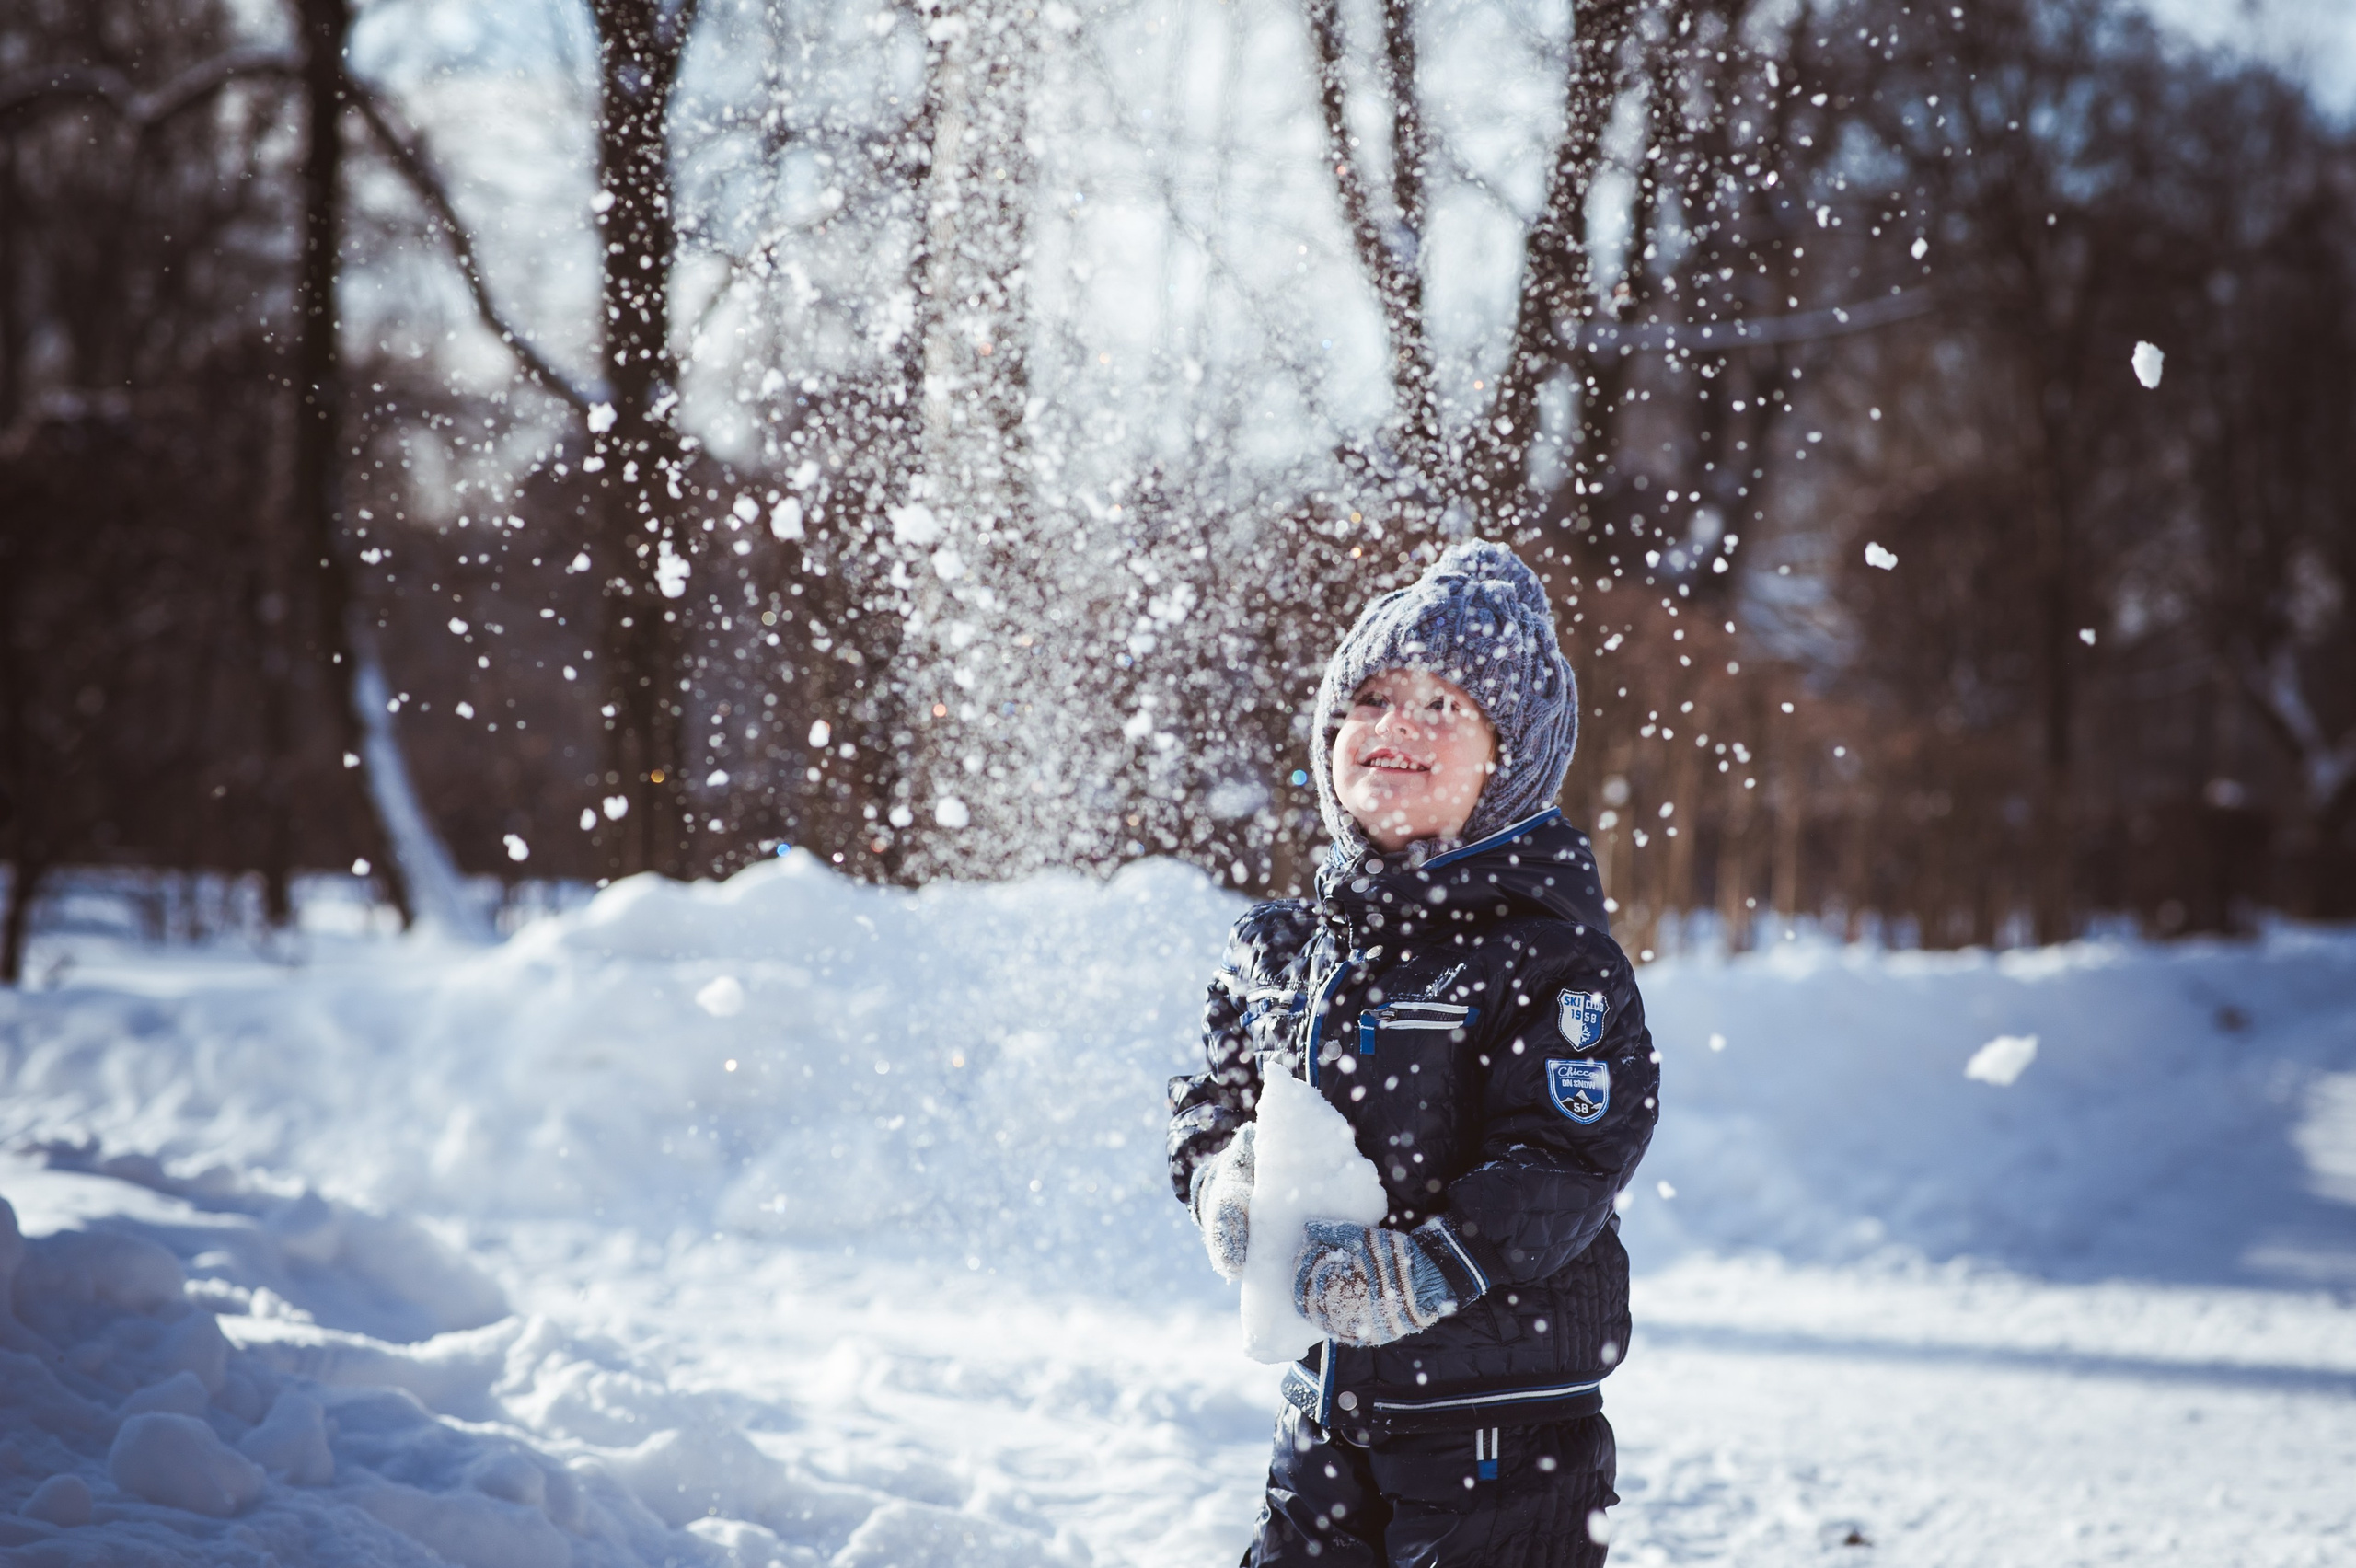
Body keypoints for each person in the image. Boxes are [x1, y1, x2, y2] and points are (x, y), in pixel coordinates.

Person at [1167, 538, 1658, 1566]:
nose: (1397, 727)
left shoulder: (1547, 958)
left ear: (1508, 760)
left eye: (1445, 708)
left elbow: (1567, 1157)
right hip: (1324, 1408)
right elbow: (1209, 1097)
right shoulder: (1281, 947)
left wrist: (1431, 1266)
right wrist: (1221, 1179)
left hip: (1500, 1427)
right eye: (1374, 699)